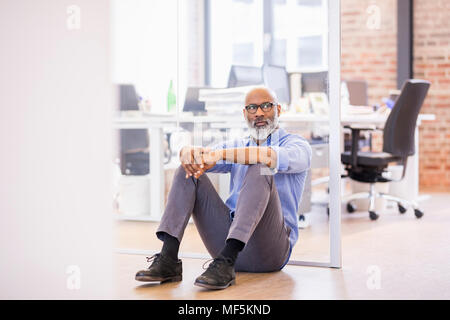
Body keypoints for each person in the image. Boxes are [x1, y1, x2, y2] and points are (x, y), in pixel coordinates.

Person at [135, 87, 312, 290]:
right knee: (189, 172)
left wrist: (219, 155)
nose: (259, 113)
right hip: (224, 244)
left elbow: (266, 156)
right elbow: (202, 156)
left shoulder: (297, 146)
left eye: (266, 106)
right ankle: (168, 258)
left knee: (260, 167)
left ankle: (228, 258)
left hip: (270, 250)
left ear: (278, 110)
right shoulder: (236, 145)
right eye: (252, 108)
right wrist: (187, 152)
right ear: (245, 114)